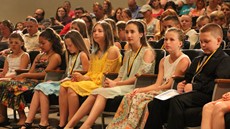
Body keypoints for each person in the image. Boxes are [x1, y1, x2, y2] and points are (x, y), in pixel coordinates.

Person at [64, 19, 156, 129]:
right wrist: (111, 82)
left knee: (102, 92)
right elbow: (121, 76)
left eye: (132, 32)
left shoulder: (147, 52)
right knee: (97, 91)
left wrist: (116, 84)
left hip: (137, 87)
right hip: (124, 85)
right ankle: (70, 125)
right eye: (127, 32)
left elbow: (139, 78)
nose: (129, 35)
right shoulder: (128, 53)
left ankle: (85, 126)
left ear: (141, 34)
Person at [144, 23, 229, 129]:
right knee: (156, 102)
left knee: (177, 101)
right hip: (190, 92)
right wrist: (182, 84)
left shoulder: (223, 59)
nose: (202, 45)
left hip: (206, 94)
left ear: (218, 41)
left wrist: (194, 87)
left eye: (206, 41)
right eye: (201, 42)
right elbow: (188, 77)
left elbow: (217, 84)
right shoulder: (198, 59)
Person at [107, 27, 191, 129]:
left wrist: (142, 91)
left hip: (171, 92)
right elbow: (157, 84)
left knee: (138, 98)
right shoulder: (163, 60)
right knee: (129, 96)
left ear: (180, 43)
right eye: (165, 39)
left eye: (171, 39)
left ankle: (131, 127)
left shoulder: (183, 60)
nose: (167, 42)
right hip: (160, 90)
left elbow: (169, 85)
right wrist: (139, 90)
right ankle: (119, 126)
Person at [57, 21, 122, 128]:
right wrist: (80, 77)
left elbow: (105, 75)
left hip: (103, 83)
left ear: (107, 34)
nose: (96, 33)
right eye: (94, 31)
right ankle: (62, 123)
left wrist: (84, 78)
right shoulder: (94, 53)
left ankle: (70, 123)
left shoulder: (112, 50)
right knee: (64, 85)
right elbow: (91, 73)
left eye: (100, 31)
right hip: (92, 81)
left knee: (71, 88)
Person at [21, 30, 90, 129]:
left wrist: (72, 77)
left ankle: (53, 123)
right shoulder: (70, 55)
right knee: (39, 87)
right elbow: (67, 73)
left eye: (70, 45)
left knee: (42, 87)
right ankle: (32, 121)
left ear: (77, 43)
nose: (68, 48)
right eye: (67, 46)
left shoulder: (82, 55)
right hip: (65, 80)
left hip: (74, 82)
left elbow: (87, 73)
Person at [0, 28, 63, 127]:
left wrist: (25, 75)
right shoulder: (39, 56)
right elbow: (31, 71)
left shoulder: (55, 56)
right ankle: (3, 116)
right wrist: (25, 76)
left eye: (43, 43)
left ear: (52, 42)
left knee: (14, 86)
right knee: (4, 83)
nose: (40, 46)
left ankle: (22, 117)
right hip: (30, 80)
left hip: (42, 82)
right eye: (39, 43)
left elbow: (44, 74)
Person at [0, 32, 30, 126]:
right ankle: (2, 115)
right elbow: (4, 72)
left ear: (21, 43)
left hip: (19, 78)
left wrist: (5, 78)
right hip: (7, 78)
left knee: (9, 86)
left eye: (16, 43)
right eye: (11, 42)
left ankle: (22, 116)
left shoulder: (24, 55)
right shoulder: (8, 57)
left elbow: (20, 71)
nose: (13, 45)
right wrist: (2, 76)